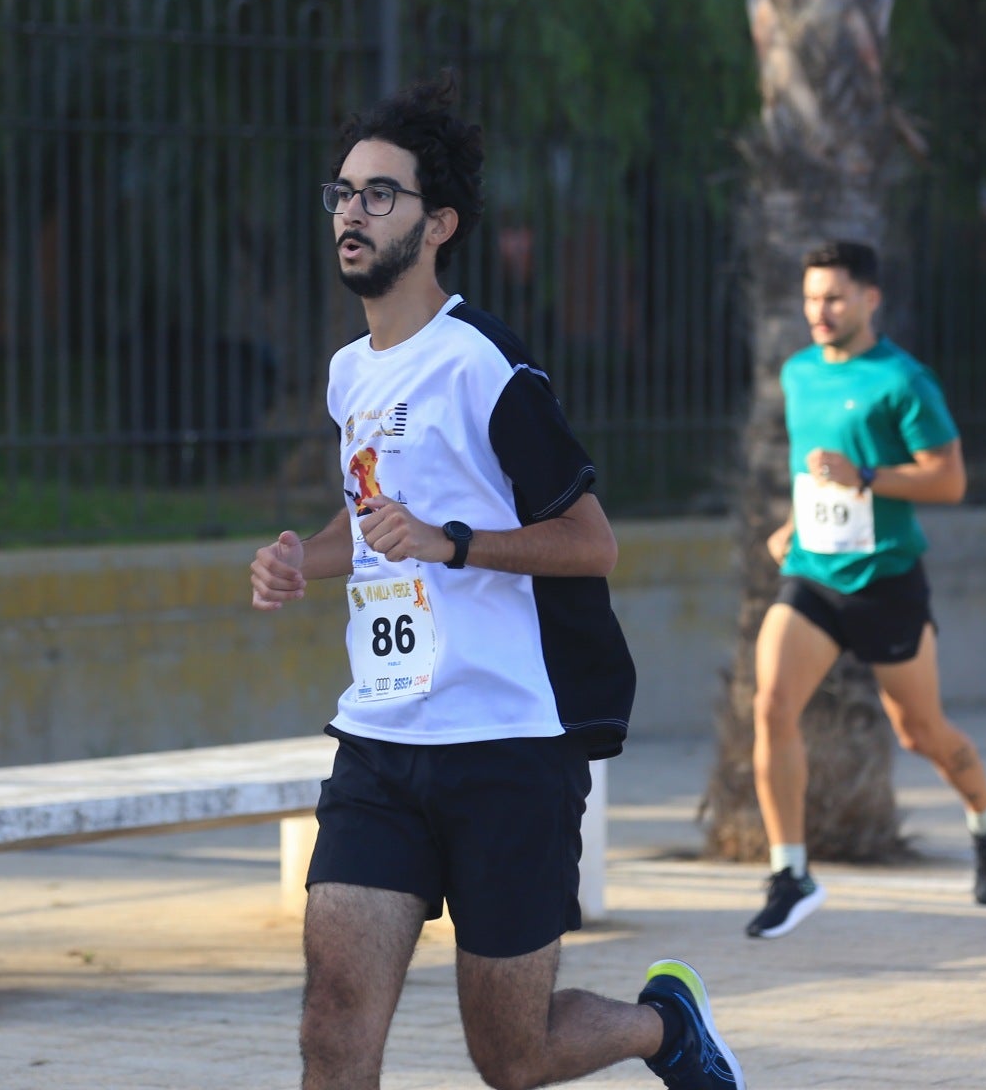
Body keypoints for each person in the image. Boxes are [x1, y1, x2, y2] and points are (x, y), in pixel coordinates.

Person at [248, 75, 745, 1090]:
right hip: (382, 740)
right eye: (342, 190)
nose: (351, 210)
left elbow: (590, 538)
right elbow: (378, 512)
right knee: (333, 1021)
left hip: (510, 745)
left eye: (379, 194)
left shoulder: (487, 367)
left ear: (439, 223)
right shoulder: (351, 372)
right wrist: (312, 554)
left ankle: (665, 1026)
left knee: (512, 1054)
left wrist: (455, 542)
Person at [747, 240, 986, 939]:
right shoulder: (799, 371)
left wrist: (866, 475)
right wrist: (794, 524)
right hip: (813, 570)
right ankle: (790, 871)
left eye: (834, 297)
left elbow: (949, 480)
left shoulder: (905, 381)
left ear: (871, 299)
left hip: (886, 580)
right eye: (811, 298)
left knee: (920, 730)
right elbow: (819, 474)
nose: (820, 311)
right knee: (772, 703)